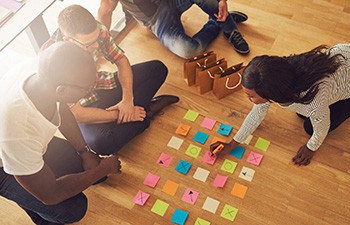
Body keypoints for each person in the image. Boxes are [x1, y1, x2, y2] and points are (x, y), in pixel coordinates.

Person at [0, 42, 122, 225]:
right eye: (87, 87)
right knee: (72, 209)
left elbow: (62, 110)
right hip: (5, 166)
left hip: (29, 146)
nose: (92, 90)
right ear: (62, 90)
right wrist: (102, 169)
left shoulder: (43, 75)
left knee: (90, 167)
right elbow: (51, 195)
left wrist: (85, 151)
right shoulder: (19, 131)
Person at [210, 44, 350, 166]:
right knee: (302, 114)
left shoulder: (314, 101)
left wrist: (310, 147)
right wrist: (232, 144)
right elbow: (257, 113)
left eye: (250, 96)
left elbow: (322, 128)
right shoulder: (280, 72)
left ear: (271, 94)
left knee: (309, 127)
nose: (249, 99)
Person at [42, 5, 179, 155]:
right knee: (101, 143)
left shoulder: (96, 31)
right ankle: (145, 112)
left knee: (157, 69)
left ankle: (134, 114)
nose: (96, 45)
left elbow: (121, 61)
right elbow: (76, 113)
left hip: (101, 85)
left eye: (96, 40)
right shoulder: (49, 61)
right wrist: (122, 113)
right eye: (89, 44)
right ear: (68, 39)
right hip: (83, 106)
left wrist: (127, 100)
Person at [97, 0, 250, 58]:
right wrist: (101, 42)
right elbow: (105, 10)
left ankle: (229, 28)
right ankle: (217, 21)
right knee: (189, 51)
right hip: (156, 18)